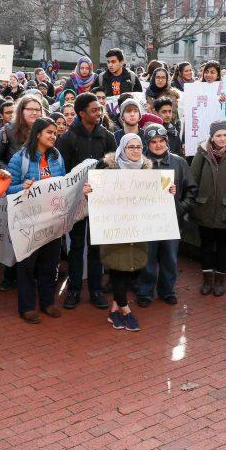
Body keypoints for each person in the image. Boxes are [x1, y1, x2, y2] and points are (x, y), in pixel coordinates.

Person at [85, 134, 152, 332]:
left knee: (131, 266)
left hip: (137, 228)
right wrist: (89, 193)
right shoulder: (107, 169)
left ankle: (114, 309)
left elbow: (153, 199)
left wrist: (167, 192)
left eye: (138, 147)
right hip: (115, 229)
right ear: (122, 148)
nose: (135, 150)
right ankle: (126, 309)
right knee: (117, 266)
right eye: (130, 147)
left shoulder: (147, 171)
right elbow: (97, 202)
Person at [56, 92, 117, 309]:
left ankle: (96, 291)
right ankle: (73, 290)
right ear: (81, 113)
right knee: (76, 247)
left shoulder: (108, 137)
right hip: (76, 200)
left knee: (95, 247)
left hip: (99, 201)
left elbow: (113, 167)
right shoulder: (67, 138)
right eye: (94, 110)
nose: (99, 113)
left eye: (99, 109)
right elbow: (62, 172)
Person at [7, 117, 66, 323]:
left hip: (52, 220)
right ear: (38, 134)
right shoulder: (19, 159)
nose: (53, 136)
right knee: (27, 266)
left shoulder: (57, 157)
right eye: (49, 132)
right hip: (28, 222)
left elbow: (64, 184)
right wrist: (22, 187)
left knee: (49, 264)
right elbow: (7, 189)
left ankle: (48, 302)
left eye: (55, 134)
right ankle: (27, 307)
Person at [136, 123, 195, 307]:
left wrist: (180, 208)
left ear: (167, 141)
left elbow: (191, 190)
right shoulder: (140, 163)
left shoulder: (179, 162)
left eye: (161, 141)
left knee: (170, 258)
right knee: (148, 258)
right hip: (147, 221)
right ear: (147, 143)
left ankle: (167, 290)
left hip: (171, 221)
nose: (158, 145)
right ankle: (145, 292)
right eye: (153, 142)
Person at [190, 120, 226, 296]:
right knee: (206, 245)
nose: (222, 138)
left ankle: (220, 281)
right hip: (204, 208)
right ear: (212, 137)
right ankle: (207, 280)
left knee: (223, 246)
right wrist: (194, 204)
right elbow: (193, 180)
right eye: (218, 135)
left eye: (225, 135)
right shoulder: (202, 153)